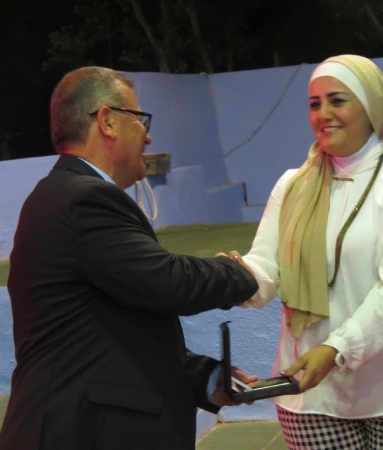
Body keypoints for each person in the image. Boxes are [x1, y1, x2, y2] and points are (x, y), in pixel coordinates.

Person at [0, 66, 259, 450]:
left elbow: (110, 333)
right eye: (139, 119)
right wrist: (242, 273)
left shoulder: (62, 195)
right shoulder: (84, 198)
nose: (148, 134)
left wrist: (203, 377)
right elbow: (168, 282)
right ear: (107, 121)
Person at [231, 55, 383, 449]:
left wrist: (334, 349)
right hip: (311, 398)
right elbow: (265, 268)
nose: (323, 114)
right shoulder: (292, 185)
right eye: (314, 103)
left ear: (371, 106)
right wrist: (230, 278)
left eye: (337, 100)